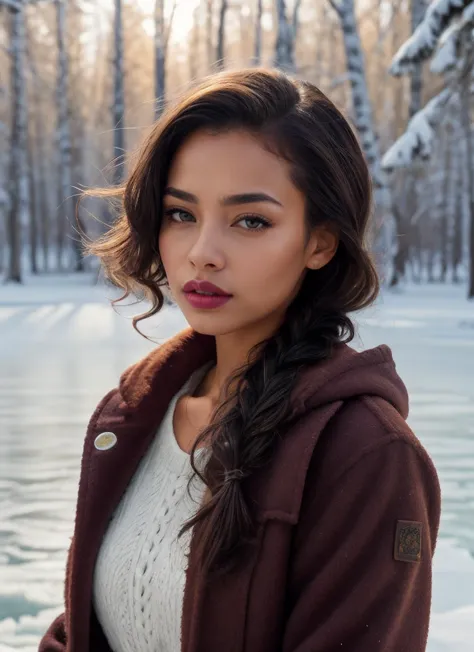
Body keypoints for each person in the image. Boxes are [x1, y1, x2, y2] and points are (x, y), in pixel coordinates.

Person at [39, 68, 441, 652]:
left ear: (320, 242)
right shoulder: (132, 415)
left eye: (251, 220)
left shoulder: (366, 455)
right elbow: (81, 629)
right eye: (181, 214)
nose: (202, 253)